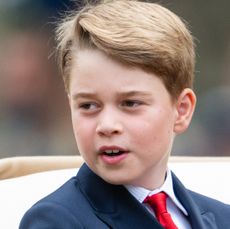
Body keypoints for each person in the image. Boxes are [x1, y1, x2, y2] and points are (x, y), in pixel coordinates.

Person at [19, 1, 230, 228]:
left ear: (181, 110)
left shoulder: (222, 217)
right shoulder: (55, 220)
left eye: (130, 103)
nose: (107, 125)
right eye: (88, 106)